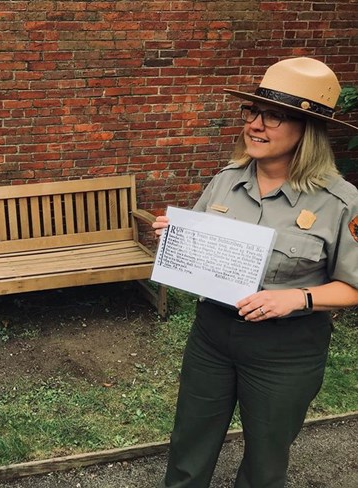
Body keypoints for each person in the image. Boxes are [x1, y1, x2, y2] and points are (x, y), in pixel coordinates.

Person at [152, 57, 358, 487]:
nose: (256, 125)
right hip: (213, 334)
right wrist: (177, 238)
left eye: (274, 116)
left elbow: (353, 287)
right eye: (253, 112)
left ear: (308, 129)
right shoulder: (227, 180)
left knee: (266, 459)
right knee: (189, 444)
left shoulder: (340, 202)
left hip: (287, 349)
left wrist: (298, 298)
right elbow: (199, 253)